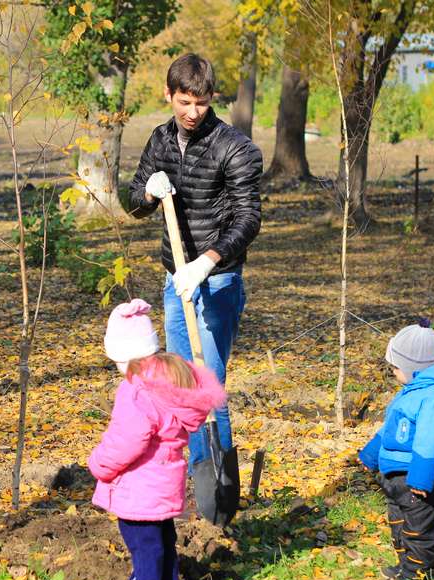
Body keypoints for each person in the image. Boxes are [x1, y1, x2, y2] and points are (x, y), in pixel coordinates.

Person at [127, 53, 262, 520]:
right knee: (180, 387)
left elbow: (249, 218)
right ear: (169, 96)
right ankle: (192, 483)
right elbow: (132, 200)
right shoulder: (160, 140)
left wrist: (207, 262)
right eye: (184, 101)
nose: (192, 112)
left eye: (201, 103)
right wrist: (148, 191)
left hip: (217, 281)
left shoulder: (235, 147)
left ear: (212, 100)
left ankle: (220, 503)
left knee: (208, 384)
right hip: (173, 281)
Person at [89, 299, 227, 580]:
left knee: (145, 550)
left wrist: (99, 464)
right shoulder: (169, 382)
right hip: (163, 484)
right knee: (163, 543)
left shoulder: (137, 391)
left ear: (123, 357)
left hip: (139, 490)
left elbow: (127, 441)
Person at [358, 319, 434, 580]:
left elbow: (432, 439)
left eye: (396, 367)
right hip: (396, 480)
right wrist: (370, 455)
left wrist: (422, 478)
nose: (393, 372)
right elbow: (390, 429)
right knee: (399, 526)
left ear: (413, 367)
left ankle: (417, 576)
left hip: (417, 482)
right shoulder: (411, 391)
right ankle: (404, 567)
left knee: (418, 532)